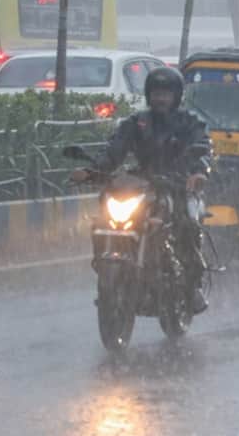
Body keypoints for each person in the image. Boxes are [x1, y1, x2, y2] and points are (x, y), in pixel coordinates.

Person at [71, 66, 212, 312]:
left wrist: (198, 172)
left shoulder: (189, 122)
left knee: (187, 222)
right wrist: (93, 170)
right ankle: (108, 270)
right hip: (143, 183)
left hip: (177, 184)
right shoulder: (136, 123)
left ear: (176, 96)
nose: (160, 98)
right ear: (149, 94)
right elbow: (113, 151)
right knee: (104, 217)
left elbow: (202, 148)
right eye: (156, 93)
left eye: (166, 93)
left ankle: (192, 287)